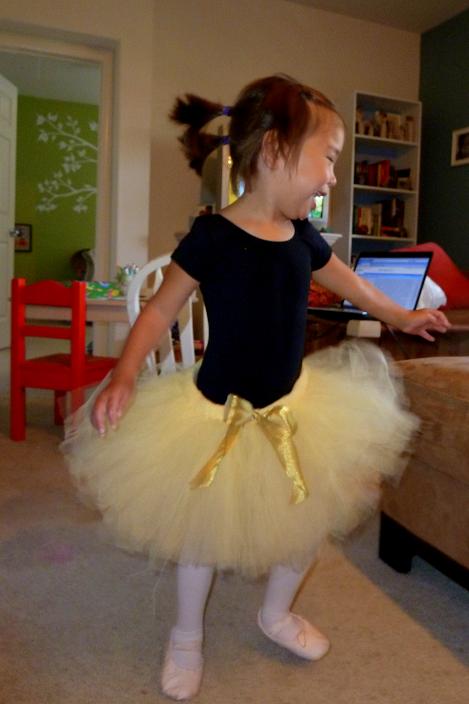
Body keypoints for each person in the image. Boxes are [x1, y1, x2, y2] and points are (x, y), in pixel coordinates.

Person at [62, 75, 450, 701]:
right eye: (327, 159)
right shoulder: (212, 236)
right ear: (274, 150)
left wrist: (402, 316)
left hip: (296, 411)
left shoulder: (303, 236)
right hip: (215, 416)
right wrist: (125, 372)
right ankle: (186, 635)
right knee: (203, 535)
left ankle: (275, 614)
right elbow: (159, 311)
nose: (331, 178)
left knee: (304, 523)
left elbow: (352, 284)